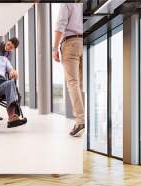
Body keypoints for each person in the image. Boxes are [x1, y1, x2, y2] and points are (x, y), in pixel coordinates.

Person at [52, 3, 84, 137]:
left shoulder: (66, 3)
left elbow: (61, 25)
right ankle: (82, 120)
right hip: (84, 41)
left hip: (70, 43)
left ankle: (80, 121)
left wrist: (54, 48)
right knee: (80, 84)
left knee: (73, 83)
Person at [0, 37, 20, 120]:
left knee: (15, 89)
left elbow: (8, 67)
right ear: (7, 41)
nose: (8, 48)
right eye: (8, 45)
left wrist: (12, 71)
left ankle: (13, 115)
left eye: (11, 48)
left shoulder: (9, 54)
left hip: (1, 78)